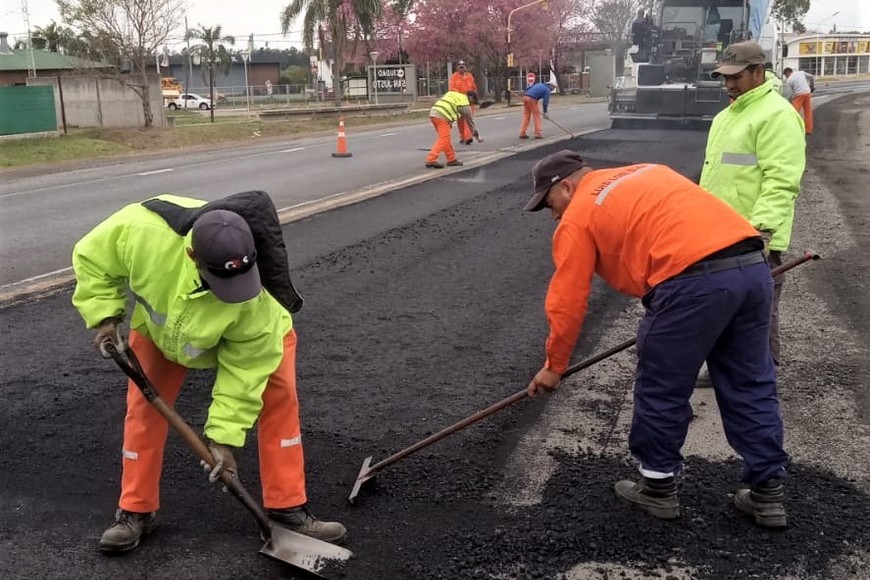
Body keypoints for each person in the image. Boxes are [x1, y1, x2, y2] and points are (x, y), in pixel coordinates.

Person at [524, 149, 789, 529]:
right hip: (751, 268)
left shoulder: (578, 216)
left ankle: (658, 488)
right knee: (750, 382)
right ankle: (768, 493)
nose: (553, 215)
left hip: (689, 284)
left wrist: (555, 366)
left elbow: (568, 300)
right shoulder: (649, 169)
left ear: (566, 186)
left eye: (551, 204)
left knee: (662, 386)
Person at [71, 191, 347, 552]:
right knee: (143, 410)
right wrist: (105, 316)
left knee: (277, 399)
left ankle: (286, 507)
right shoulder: (139, 232)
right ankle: (136, 509)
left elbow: (243, 375)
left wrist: (222, 440)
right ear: (192, 256)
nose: (231, 293)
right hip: (160, 331)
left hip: (254, 339)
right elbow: (92, 259)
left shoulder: (256, 307)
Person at [698, 42, 806, 385]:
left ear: (759, 72)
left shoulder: (777, 114)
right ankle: (724, 370)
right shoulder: (726, 116)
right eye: (724, 77)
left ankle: (761, 377)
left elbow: (782, 179)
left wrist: (762, 231)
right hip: (717, 234)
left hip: (753, 238)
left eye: (737, 76)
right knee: (721, 306)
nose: (729, 84)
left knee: (758, 311)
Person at [425, 89, 480, 169]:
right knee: (443, 139)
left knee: (446, 139)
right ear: (471, 98)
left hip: (434, 113)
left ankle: (451, 159)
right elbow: (470, 122)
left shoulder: (456, 95)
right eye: (473, 102)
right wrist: (477, 136)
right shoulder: (465, 104)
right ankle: (431, 159)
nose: (472, 105)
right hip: (442, 116)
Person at [449, 60, 479, 145]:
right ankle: (462, 137)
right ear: (457, 67)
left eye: (463, 65)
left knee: (468, 119)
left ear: (465, 67)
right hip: (459, 102)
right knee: (460, 121)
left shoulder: (470, 76)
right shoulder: (454, 77)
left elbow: (474, 87)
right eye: (459, 65)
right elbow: (452, 88)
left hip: (469, 101)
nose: (461, 67)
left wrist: (474, 97)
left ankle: (468, 137)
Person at [783, 67, 814, 135]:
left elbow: (790, 93)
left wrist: (790, 101)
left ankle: (792, 129)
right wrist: (812, 86)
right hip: (807, 93)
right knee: (808, 112)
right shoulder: (801, 72)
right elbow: (811, 77)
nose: (786, 77)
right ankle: (808, 130)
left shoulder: (789, 80)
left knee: (793, 113)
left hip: (799, 95)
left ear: (788, 72)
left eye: (785, 75)